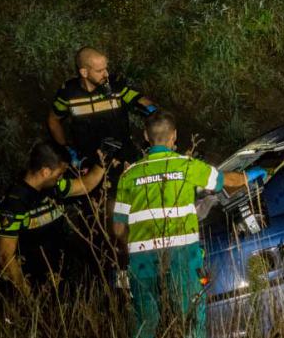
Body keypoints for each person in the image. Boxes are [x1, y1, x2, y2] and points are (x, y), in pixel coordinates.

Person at [112, 111, 266, 338]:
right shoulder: (186, 166)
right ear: (174, 136)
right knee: (192, 317)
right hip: (181, 257)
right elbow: (223, 180)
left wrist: (132, 250)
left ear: (146, 136)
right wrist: (248, 176)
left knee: (144, 322)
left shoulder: (129, 175)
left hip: (142, 260)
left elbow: (117, 229)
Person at [47, 46, 157, 276]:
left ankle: (145, 261)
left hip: (124, 161)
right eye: (99, 70)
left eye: (106, 67)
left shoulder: (116, 87)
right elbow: (54, 120)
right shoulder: (68, 94)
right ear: (84, 72)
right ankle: (120, 270)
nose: (105, 73)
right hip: (92, 166)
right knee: (106, 222)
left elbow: (142, 102)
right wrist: (67, 151)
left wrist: (154, 116)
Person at [0, 141, 106, 296]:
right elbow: (5, 257)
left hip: (57, 277)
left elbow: (86, 185)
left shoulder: (54, 187)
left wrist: (104, 156)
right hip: (30, 284)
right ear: (45, 172)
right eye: (59, 173)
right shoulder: (14, 203)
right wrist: (27, 295)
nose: (61, 177)